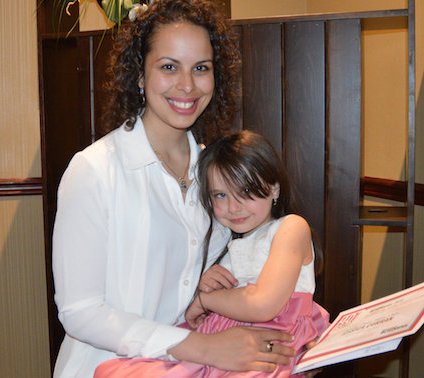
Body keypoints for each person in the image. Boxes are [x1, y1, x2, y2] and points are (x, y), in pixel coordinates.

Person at [51, 1, 297, 377]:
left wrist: (283, 353)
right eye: (169, 67)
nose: (187, 85)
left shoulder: (215, 174)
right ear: (139, 74)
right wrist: (204, 347)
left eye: (201, 68)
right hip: (106, 367)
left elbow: (238, 283)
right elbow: (80, 312)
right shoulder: (95, 171)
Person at [93, 130, 330, 377]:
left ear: (274, 188)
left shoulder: (290, 227)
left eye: (246, 191)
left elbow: (262, 305)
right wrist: (207, 288)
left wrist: (205, 300)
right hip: (219, 345)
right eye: (220, 195)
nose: (233, 207)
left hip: (263, 350)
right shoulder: (228, 241)